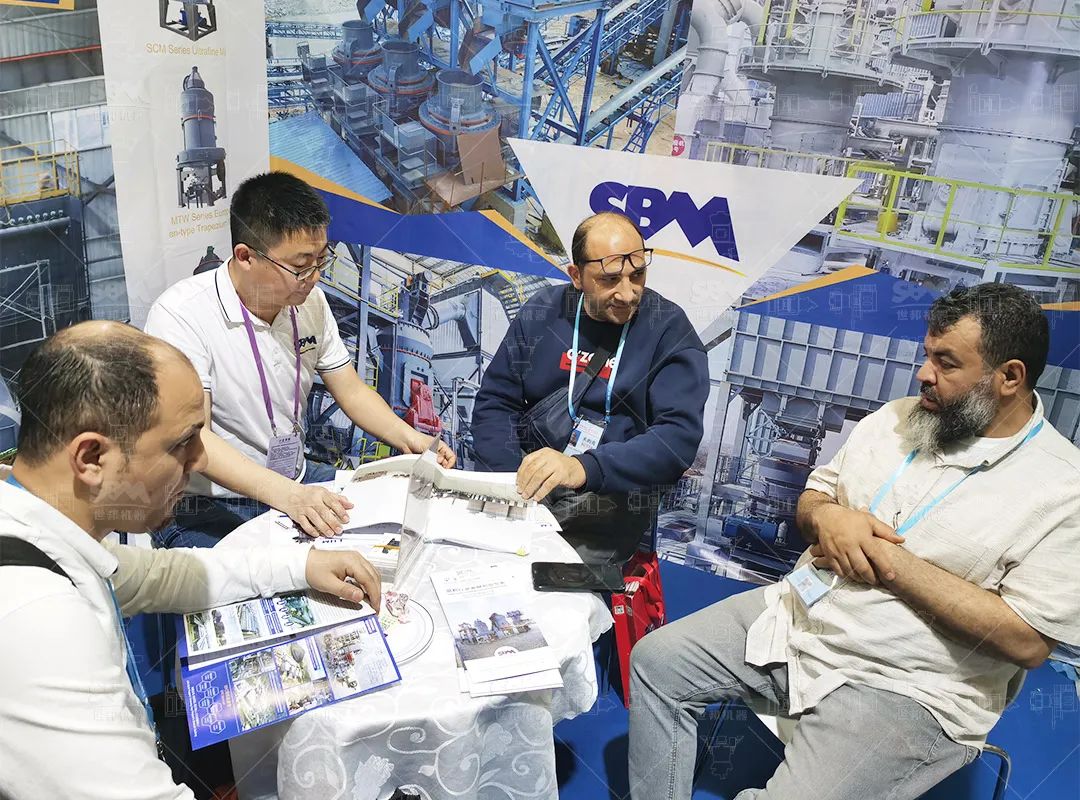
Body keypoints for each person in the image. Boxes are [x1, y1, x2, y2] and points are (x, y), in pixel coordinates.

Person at [627, 283, 1080, 799]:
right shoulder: (895, 418)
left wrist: (884, 559)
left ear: (1010, 377)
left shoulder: (1063, 489)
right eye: (927, 354)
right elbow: (815, 496)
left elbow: (1026, 641)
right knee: (656, 663)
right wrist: (828, 517)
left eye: (946, 363)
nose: (924, 373)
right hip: (799, 619)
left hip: (907, 682)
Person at [0, 322, 383, 800]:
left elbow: (157, 576)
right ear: (91, 457)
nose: (201, 460)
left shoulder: (39, 531)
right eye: (183, 442)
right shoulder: (39, 619)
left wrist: (301, 565)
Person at [145, 171, 454, 548]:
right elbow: (197, 440)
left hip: (294, 478)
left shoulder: (311, 303)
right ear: (245, 256)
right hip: (210, 500)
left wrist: (411, 438)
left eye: (321, 260)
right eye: (301, 266)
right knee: (243, 579)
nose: (315, 277)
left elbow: (352, 391)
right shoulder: (181, 315)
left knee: (393, 530)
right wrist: (289, 497)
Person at [471, 211, 708, 561]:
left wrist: (584, 468)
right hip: (525, 491)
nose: (627, 294)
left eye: (637, 275)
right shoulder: (543, 312)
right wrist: (510, 483)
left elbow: (677, 438)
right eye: (609, 280)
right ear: (576, 276)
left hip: (606, 507)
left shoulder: (669, 331)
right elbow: (495, 402)